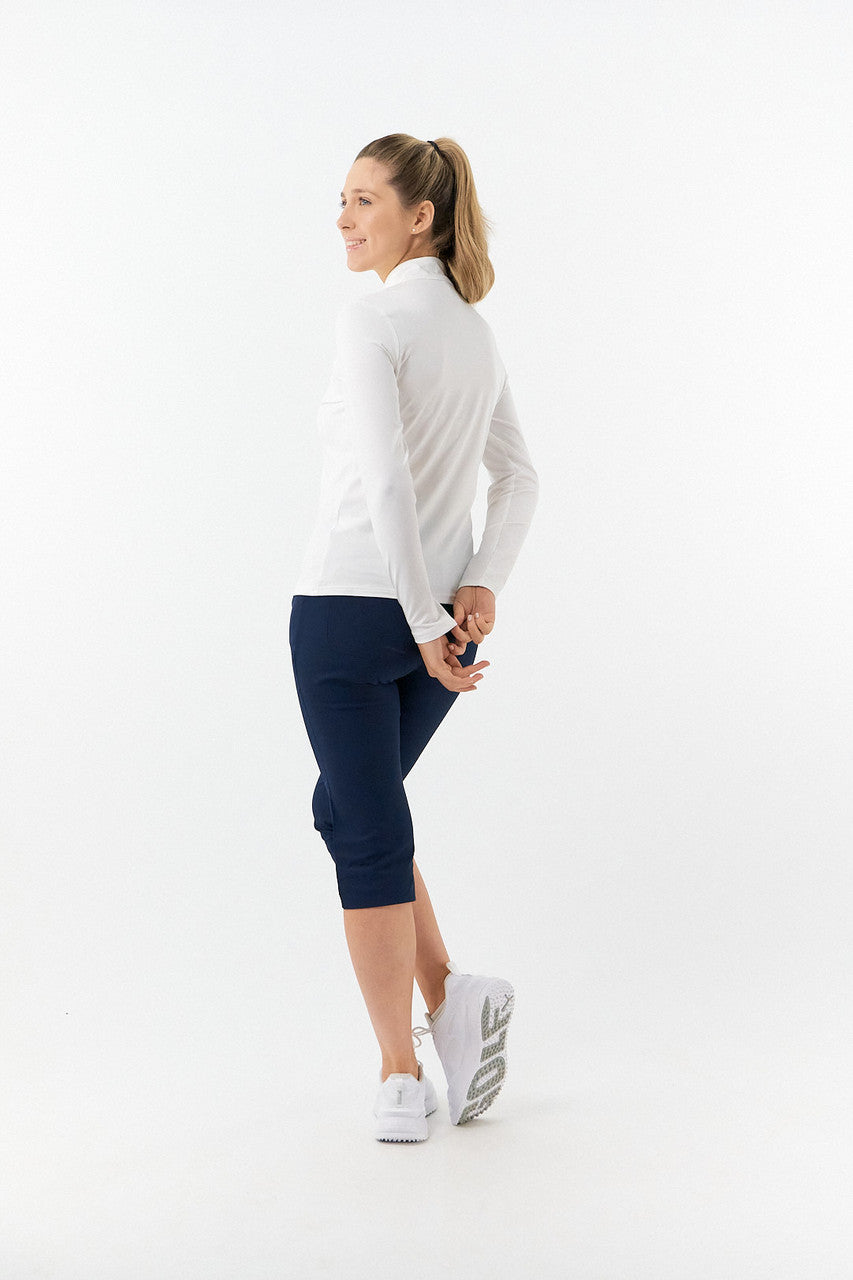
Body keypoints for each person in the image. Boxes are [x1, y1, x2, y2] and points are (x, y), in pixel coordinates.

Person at [289, 133, 538, 1142]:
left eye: (362, 200)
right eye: (342, 200)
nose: (343, 218)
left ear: (418, 215)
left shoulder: (373, 316)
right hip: (438, 623)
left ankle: (400, 1071)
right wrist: (474, 587)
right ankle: (449, 995)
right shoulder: (473, 332)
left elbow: (388, 482)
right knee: (353, 811)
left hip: (352, 612)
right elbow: (519, 477)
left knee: (366, 831)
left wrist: (430, 620)